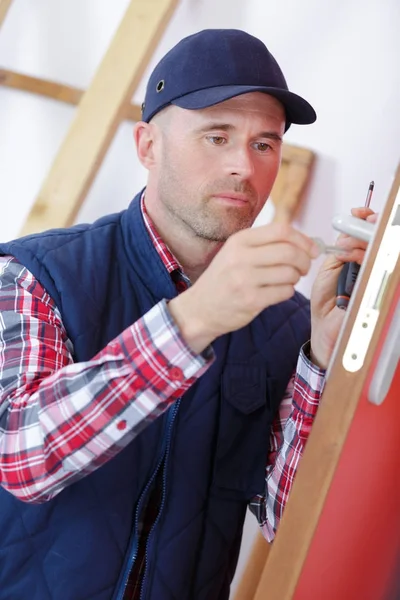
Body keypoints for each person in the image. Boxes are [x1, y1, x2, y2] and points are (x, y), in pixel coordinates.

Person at [0, 29, 374, 600]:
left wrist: (320, 354)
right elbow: (23, 457)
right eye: (216, 136)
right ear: (147, 145)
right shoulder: (35, 274)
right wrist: (191, 320)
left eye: (264, 144)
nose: (243, 169)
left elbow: (281, 517)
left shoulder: (284, 322)